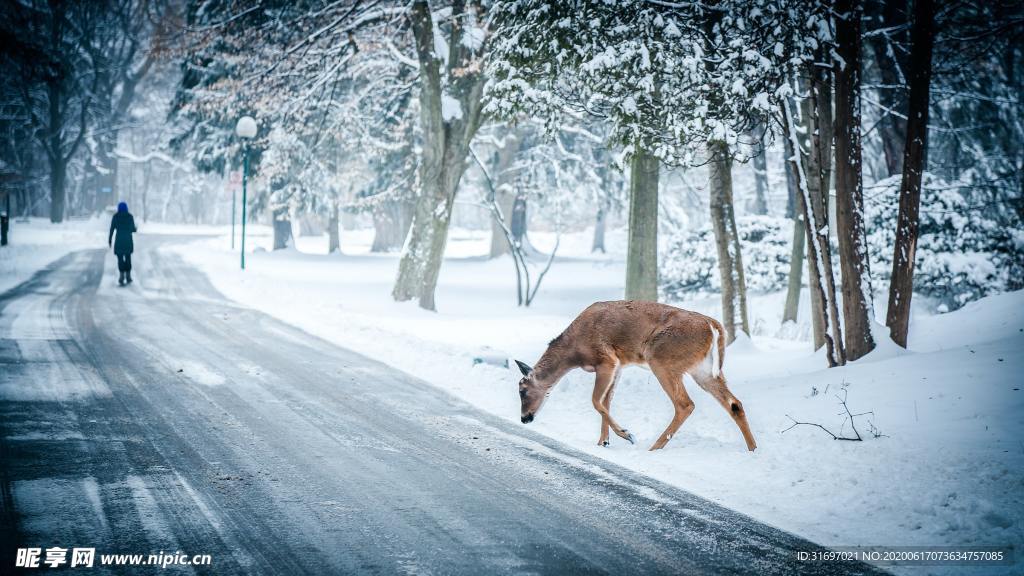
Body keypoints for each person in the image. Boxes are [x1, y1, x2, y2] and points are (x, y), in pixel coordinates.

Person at [109, 202, 137, 285]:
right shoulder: (130, 217)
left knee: (120, 259)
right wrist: (135, 228)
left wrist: (110, 240)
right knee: (128, 258)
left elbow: (112, 229)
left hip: (119, 241)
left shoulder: (115, 217)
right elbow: (133, 229)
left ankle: (121, 276)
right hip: (128, 241)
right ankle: (128, 277)